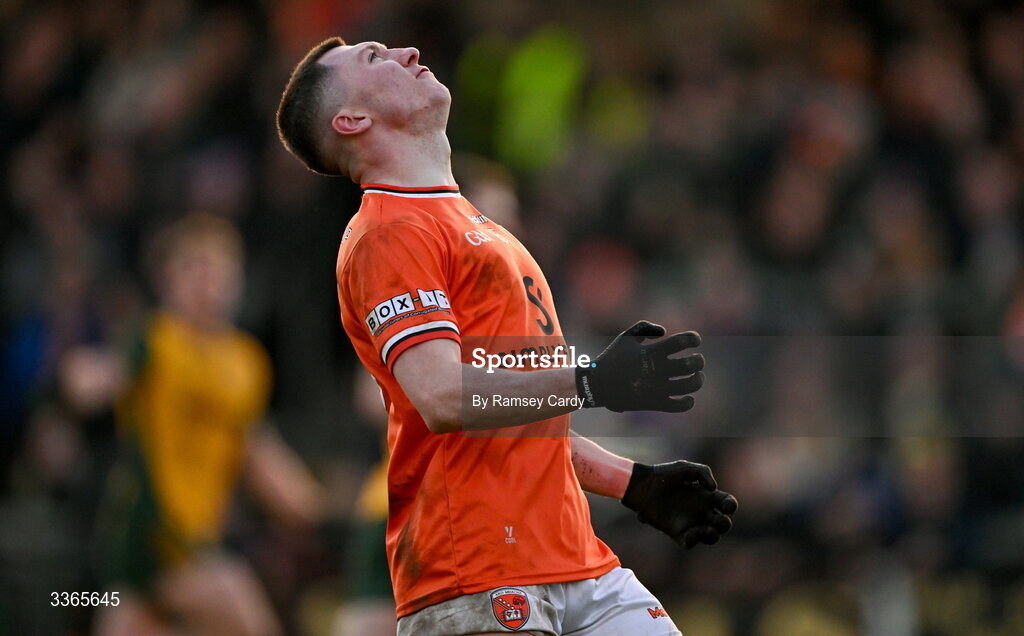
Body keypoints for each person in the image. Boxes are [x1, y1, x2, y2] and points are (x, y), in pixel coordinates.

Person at [276, 38, 738, 636]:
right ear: (352, 120)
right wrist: (592, 382)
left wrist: (633, 483)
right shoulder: (389, 233)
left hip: (575, 558)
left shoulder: (480, 228)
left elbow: (512, 407)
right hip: (479, 566)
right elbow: (445, 397)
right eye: (375, 58)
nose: (407, 53)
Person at [71, 213, 326, 636]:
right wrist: (82, 378)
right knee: (249, 618)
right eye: (194, 267)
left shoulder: (246, 364)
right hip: (151, 538)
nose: (208, 281)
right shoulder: (155, 341)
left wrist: (321, 509)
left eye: (220, 269)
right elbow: (96, 374)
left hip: (195, 540)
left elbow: (256, 452)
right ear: (167, 281)